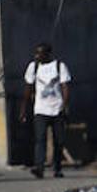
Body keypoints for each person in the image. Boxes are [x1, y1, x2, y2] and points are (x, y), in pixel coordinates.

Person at [20, 43, 72, 178]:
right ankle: (39, 167)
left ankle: (57, 168)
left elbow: (65, 87)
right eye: (36, 53)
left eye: (40, 53)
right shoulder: (33, 67)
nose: (37, 56)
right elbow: (28, 89)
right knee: (40, 138)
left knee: (58, 140)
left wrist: (64, 106)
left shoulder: (59, 66)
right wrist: (24, 109)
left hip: (57, 109)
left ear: (48, 54)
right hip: (40, 109)